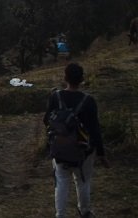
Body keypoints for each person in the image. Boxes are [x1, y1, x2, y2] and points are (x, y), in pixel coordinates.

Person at [43, 62, 108, 218]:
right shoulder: (89, 100)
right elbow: (95, 129)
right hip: (83, 150)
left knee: (61, 182)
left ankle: (60, 215)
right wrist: (101, 153)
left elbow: (46, 120)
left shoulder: (55, 97)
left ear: (65, 78)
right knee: (83, 181)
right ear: (82, 79)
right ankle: (85, 211)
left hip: (60, 149)